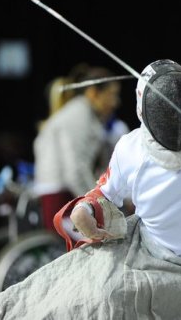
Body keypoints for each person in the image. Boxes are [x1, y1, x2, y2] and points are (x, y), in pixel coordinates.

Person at [0, 55, 181, 319]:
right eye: (163, 109)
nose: (172, 118)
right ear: (143, 109)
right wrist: (85, 210)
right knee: (69, 298)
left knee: (112, 298)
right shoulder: (131, 147)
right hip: (147, 258)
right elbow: (104, 193)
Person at [33, 66, 121, 233]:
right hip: (60, 197)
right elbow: (75, 170)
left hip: (61, 193)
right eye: (112, 95)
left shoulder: (82, 113)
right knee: (104, 239)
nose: (116, 102)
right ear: (93, 93)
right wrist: (97, 203)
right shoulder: (79, 116)